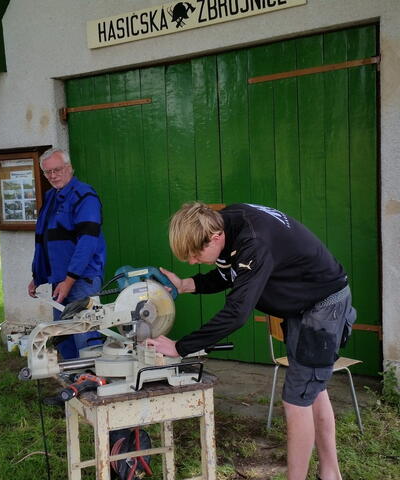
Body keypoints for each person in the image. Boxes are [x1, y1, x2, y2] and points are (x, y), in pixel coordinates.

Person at [147, 202, 356, 480]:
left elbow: (236, 314)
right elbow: (228, 274)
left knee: (296, 401)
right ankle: (331, 473)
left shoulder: (254, 244)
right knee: (312, 390)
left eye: (196, 255)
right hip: (304, 302)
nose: (192, 261)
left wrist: (179, 347)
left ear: (216, 237)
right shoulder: (226, 222)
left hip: (323, 305)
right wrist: (186, 284)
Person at [27, 148, 106, 360]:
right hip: (59, 283)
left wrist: (70, 280)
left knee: (86, 339)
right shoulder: (51, 197)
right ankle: (74, 385)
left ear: (69, 168)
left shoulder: (85, 196)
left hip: (82, 281)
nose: (53, 176)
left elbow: (87, 243)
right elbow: (45, 240)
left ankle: (95, 384)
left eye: (57, 170)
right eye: (47, 172)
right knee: (64, 338)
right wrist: (38, 276)